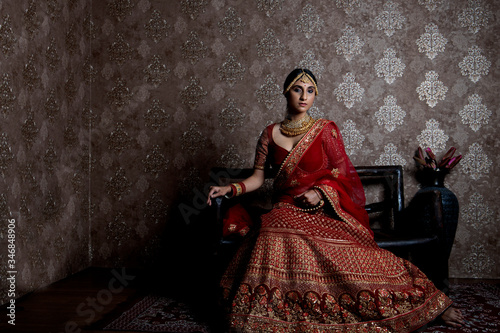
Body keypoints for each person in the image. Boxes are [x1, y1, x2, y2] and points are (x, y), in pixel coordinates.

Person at [207, 68, 464, 332]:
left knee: (358, 260)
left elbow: (343, 177)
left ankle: (428, 303)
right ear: (286, 92)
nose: (304, 96)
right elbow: (258, 178)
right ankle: (275, 312)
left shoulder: (325, 131)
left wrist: (319, 192)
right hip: (284, 209)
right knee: (273, 226)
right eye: (298, 89)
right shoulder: (269, 134)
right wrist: (230, 189)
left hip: (324, 211)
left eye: (310, 90)